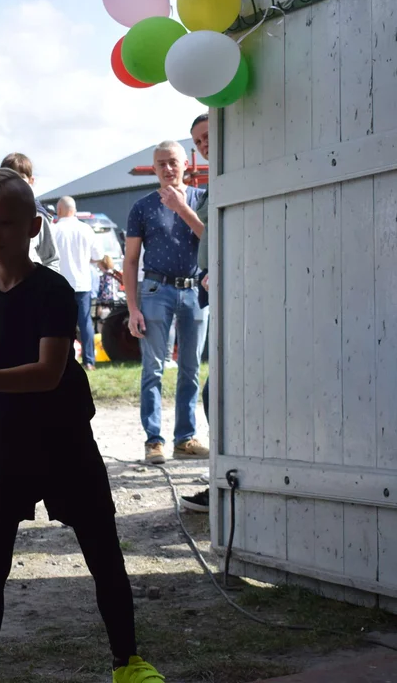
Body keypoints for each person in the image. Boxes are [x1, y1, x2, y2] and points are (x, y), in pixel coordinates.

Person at [0, 169, 164, 683]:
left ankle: (129, 662)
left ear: (33, 227)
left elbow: (48, 373)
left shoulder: (53, 290)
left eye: (3, 223)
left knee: (103, 552)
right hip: (5, 447)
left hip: (66, 443)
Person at [124, 140, 209, 466]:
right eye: (161, 164)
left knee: (190, 369)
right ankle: (154, 441)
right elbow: (130, 261)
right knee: (153, 369)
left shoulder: (201, 199)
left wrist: (182, 208)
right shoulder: (142, 207)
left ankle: (185, 439)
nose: (168, 169)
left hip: (194, 291)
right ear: (155, 168)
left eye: (173, 162)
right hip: (156, 290)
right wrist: (132, 308)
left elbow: (211, 237)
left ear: (185, 164)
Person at [181, 113, 212, 514]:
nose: (203, 144)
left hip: (233, 296)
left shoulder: (234, 172)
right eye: (198, 140)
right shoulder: (213, 178)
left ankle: (223, 480)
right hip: (212, 293)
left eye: (207, 136)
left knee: (211, 390)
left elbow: (211, 231)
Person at [51, 195, 102, 370]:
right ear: (74, 210)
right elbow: (98, 256)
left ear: (59, 211)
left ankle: (64, 360)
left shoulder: (54, 230)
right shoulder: (86, 229)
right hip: (82, 283)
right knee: (85, 322)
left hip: (60, 284)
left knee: (61, 324)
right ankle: (89, 361)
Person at [0, 152, 60, 272]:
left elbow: (51, 259)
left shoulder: (38, 215)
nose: (14, 181)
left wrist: (45, 287)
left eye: (20, 176)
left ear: (31, 180)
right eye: (9, 176)